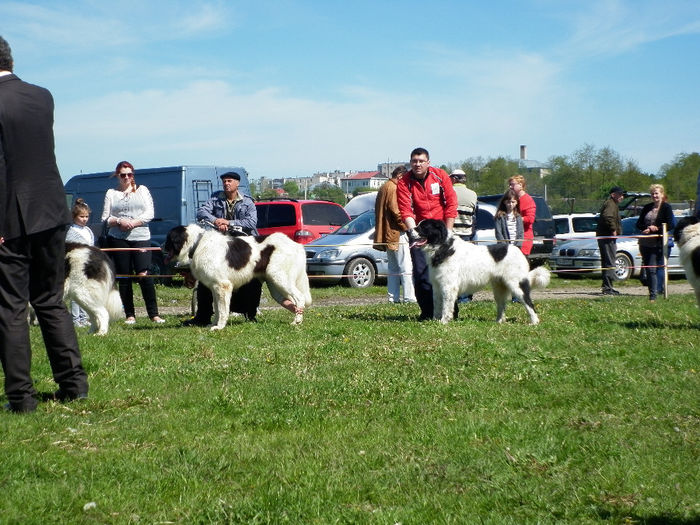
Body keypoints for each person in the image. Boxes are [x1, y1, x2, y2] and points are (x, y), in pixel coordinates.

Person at [0, 36, 88, 412]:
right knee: (51, 300)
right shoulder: (43, 96)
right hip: (52, 210)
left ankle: (21, 398)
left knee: (10, 308)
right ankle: (74, 385)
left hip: (10, 214)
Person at [183, 171, 262, 326]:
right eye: (224, 181)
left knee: (252, 280)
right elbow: (202, 212)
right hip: (220, 246)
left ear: (237, 183)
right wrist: (217, 220)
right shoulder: (215, 197)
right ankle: (202, 316)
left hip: (243, 246)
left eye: (229, 181)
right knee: (207, 280)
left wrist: (229, 223)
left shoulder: (248, 202)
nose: (226, 184)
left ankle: (250, 314)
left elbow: (251, 222)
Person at [397, 147, 457, 320]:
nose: (417, 164)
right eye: (414, 161)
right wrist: (413, 232)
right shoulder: (404, 182)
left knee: (446, 274)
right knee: (422, 273)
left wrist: (448, 232)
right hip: (420, 230)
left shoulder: (440, 176)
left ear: (428, 163)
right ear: (410, 162)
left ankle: (451, 311)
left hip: (440, 231)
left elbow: (451, 204)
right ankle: (427, 312)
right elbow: (405, 210)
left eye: (421, 161)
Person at [101, 161, 164, 324]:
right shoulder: (111, 193)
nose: (127, 177)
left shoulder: (142, 190)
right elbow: (105, 218)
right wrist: (119, 221)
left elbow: (150, 212)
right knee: (125, 275)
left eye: (130, 174)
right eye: (123, 175)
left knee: (144, 273)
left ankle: (154, 314)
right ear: (117, 175)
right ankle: (130, 315)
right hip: (118, 238)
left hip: (141, 236)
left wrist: (134, 222)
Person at [374, 165, 416, 304]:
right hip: (397, 232)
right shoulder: (394, 187)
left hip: (389, 233)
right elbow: (396, 212)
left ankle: (393, 298)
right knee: (406, 266)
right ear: (400, 176)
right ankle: (409, 298)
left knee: (393, 268)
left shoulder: (384, 186)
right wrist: (409, 228)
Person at [636, 184, 675, 302]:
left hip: (657, 243)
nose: (654, 196)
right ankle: (652, 292)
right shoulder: (647, 207)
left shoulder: (666, 208)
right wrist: (646, 228)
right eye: (652, 193)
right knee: (648, 269)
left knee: (654, 268)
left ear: (662, 194)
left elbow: (670, 224)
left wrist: (656, 228)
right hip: (645, 243)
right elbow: (638, 223)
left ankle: (654, 295)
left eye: (657, 193)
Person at [66, 199, 95, 327]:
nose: (84, 219)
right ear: (74, 217)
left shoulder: (88, 230)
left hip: (87, 264)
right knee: (76, 292)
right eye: (81, 216)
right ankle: (75, 319)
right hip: (76, 265)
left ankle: (84, 318)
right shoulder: (71, 231)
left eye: (87, 216)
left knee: (85, 292)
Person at [596, 186, 624, 295]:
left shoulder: (612, 204)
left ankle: (607, 286)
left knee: (608, 260)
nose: (622, 197)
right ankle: (608, 288)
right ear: (613, 195)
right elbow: (607, 217)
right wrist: (613, 229)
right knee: (609, 261)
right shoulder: (610, 204)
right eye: (620, 194)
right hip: (607, 237)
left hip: (605, 236)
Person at [508, 175, 535, 256]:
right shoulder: (512, 199)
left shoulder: (528, 200)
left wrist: (515, 219)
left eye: (512, 184)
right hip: (512, 237)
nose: (510, 187)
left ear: (520, 185)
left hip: (524, 239)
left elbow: (530, 219)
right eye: (510, 184)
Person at [449, 169, 478, 241]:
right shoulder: (473, 194)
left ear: (454, 179)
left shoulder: (448, 192)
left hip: (452, 234)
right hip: (466, 234)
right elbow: (474, 214)